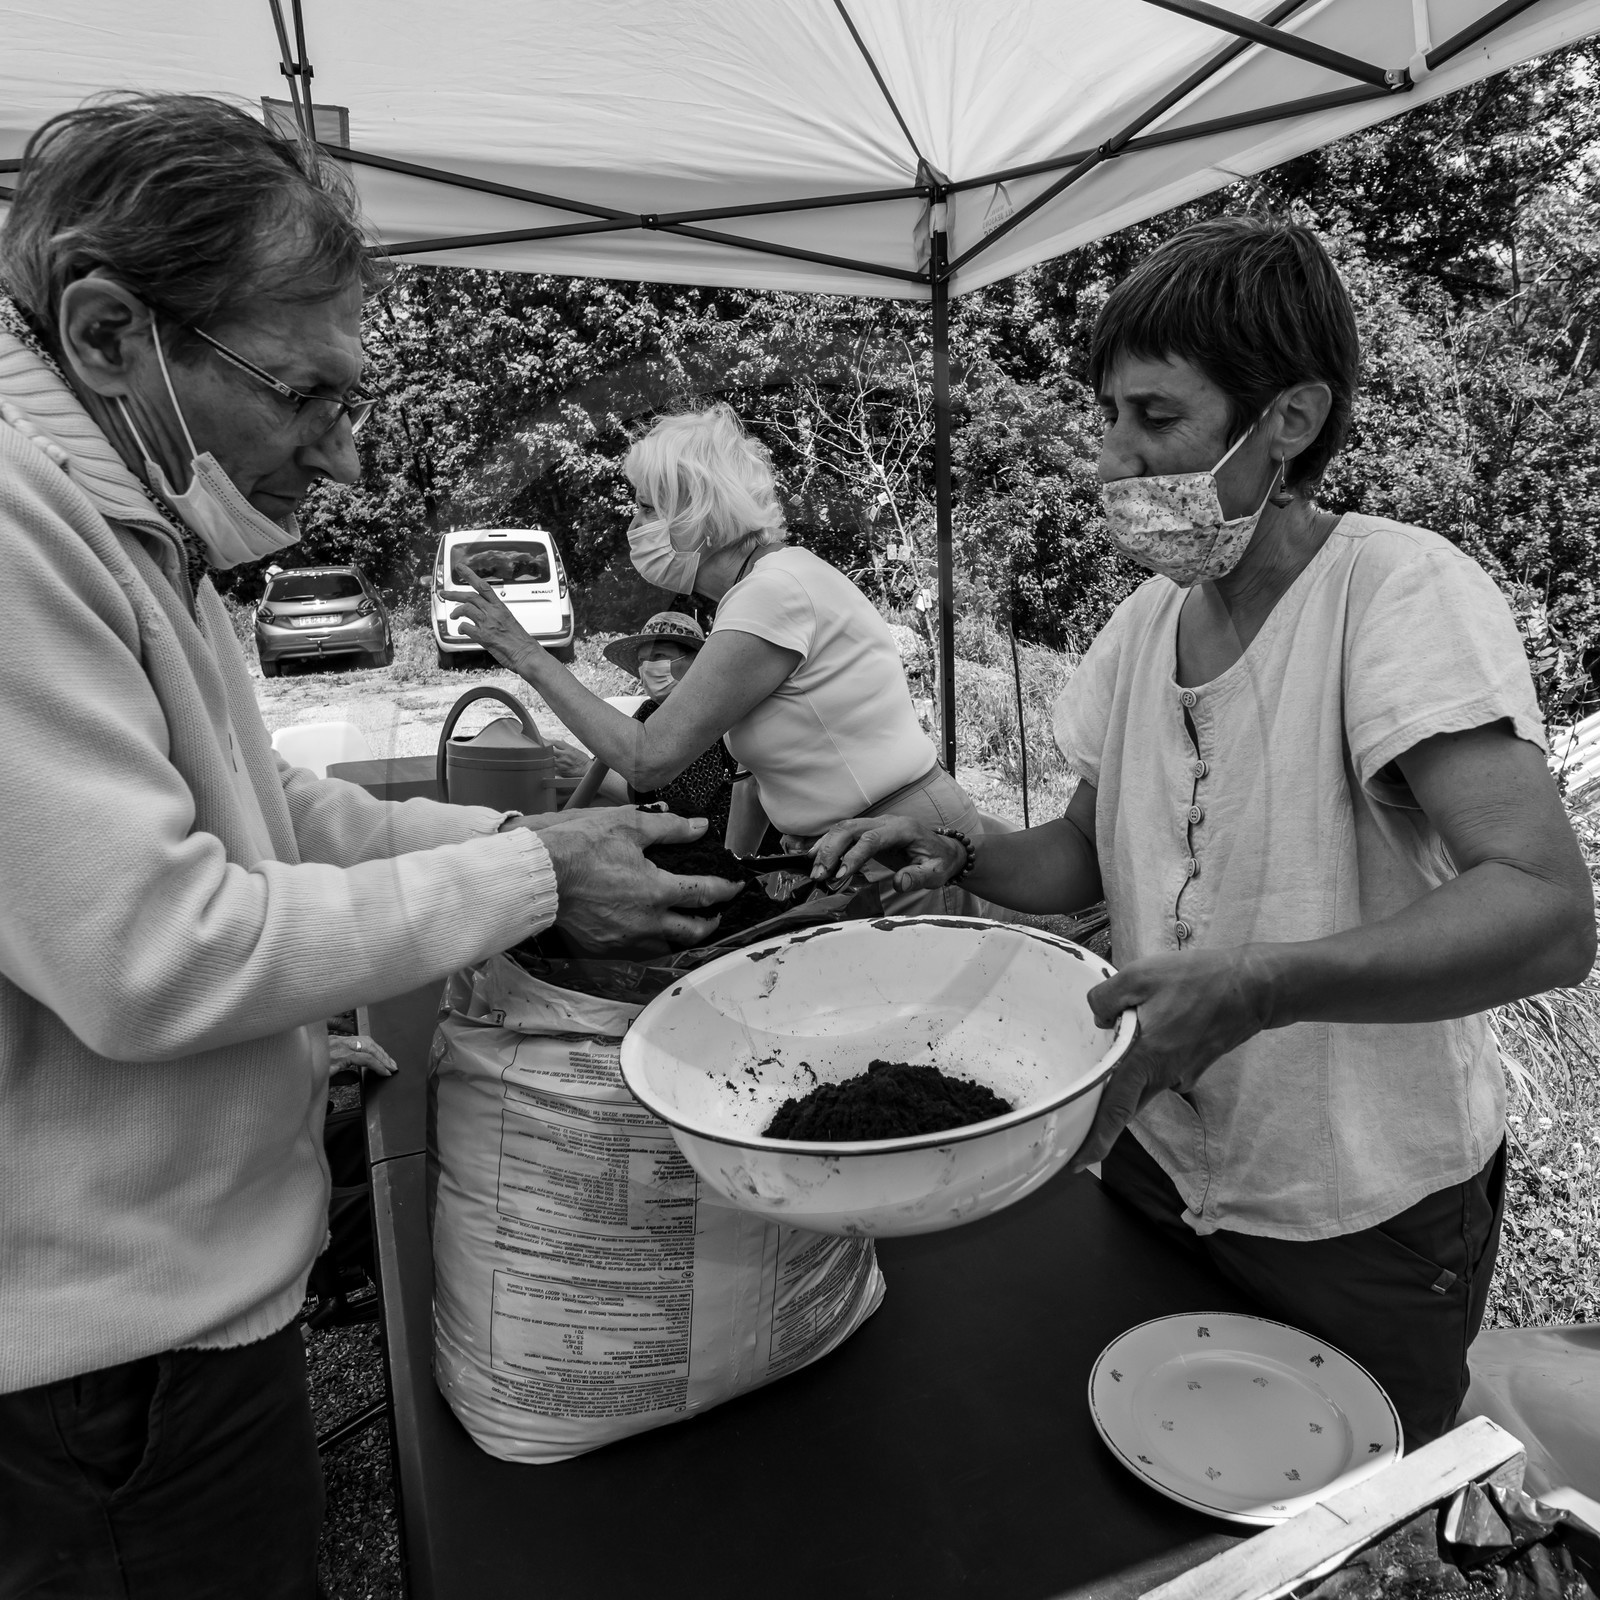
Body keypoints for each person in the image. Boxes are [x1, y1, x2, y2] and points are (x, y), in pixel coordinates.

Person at [0, 95, 737, 1600]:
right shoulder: (18, 535)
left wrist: (525, 838)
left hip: (164, 1320)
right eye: (304, 396)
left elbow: (263, 806)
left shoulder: (125, 519)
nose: (338, 462)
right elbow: (156, 951)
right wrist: (533, 876)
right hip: (107, 1364)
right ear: (106, 334)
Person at [806, 216, 1596, 1450]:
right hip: (1152, 1162)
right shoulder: (1140, 627)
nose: (1114, 461)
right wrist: (960, 851)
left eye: (1157, 420)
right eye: (1108, 418)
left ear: (1287, 419)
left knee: (1331, 1513)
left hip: (1353, 1206)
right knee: (1154, 1483)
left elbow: (1545, 913)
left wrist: (1260, 984)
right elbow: (1082, 851)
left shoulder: (1393, 592)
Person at [445, 403, 992, 915]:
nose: (634, 527)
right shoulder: (769, 585)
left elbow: (645, 757)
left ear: (697, 513)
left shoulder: (771, 594)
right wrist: (736, 873)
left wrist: (525, 653)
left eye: (646, 508)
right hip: (857, 846)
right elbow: (753, 776)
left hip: (902, 849)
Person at [601, 610, 739, 838]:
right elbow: (616, 756)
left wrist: (583, 768)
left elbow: (676, 802)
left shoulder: (711, 711)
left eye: (659, 656)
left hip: (709, 840)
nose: (648, 667)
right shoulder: (649, 710)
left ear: (695, 661)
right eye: (642, 660)